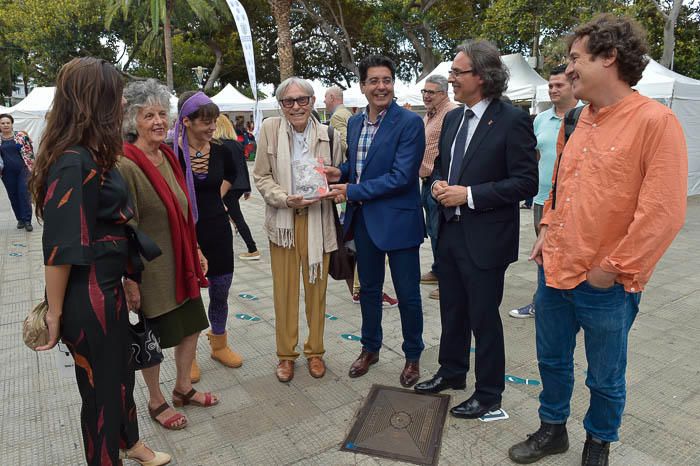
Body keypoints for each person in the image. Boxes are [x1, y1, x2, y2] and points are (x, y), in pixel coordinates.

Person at [509, 15, 687, 465]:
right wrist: (546, 226)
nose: (568, 71)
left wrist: (613, 269)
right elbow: (558, 186)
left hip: (606, 283)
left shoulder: (656, 122)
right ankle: (552, 431)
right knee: (551, 361)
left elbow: (663, 213)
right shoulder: (576, 120)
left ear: (609, 57)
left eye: (575, 59)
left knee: (605, 377)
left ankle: (598, 443)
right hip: (555, 270)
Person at [30, 58, 170, 466]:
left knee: (120, 376)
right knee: (101, 393)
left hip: (107, 286)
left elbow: (111, 225)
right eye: (116, 92)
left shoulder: (94, 153)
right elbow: (58, 249)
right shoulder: (74, 160)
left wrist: (129, 278)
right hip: (86, 295)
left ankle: (132, 443)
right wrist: (54, 314)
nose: (124, 98)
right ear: (96, 100)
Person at [414, 40, 538, 420]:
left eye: (456, 72)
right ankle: (451, 372)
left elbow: (525, 182)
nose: (450, 78)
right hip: (450, 235)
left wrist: (468, 195)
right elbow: (442, 170)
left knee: (483, 317)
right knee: (452, 310)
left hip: (485, 240)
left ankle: (489, 393)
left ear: (482, 76)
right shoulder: (453, 118)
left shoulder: (512, 120)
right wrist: (438, 185)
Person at [119, 79, 219, 431]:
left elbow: (182, 209)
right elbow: (124, 228)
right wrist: (130, 280)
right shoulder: (126, 164)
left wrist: (195, 248)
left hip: (182, 261)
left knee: (191, 326)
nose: (159, 121)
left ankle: (182, 388)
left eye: (163, 113)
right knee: (152, 339)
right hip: (151, 271)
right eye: (149, 115)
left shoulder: (165, 156)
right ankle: (156, 400)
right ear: (133, 120)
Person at [326, 55, 426, 388]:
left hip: (399, 223)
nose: (380, 86)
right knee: (368, 291)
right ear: (363, 86)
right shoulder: (354, 123)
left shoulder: (409, 123)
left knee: (408, 294)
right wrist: (337, 172)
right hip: (364, 222)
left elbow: (401, 176)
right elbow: (359, 167)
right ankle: (370, 349)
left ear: (393, 84)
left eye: (386, 80)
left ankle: (412, 356)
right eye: (374, 81)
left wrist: (351, 189)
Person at [253, 77, 344, 383]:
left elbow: (340, 174)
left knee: (316, 289)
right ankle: (286, 355)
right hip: (284, 223)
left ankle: (315, 351)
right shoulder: (270, 130)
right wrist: (283, 199)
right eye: (288, 102)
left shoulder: (328, 133)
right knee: (285, 291)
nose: (295, 107)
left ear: (313, 101)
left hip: (319, 219)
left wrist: (337, 180)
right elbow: (262, 176)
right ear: (280, 106)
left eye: (301, 100)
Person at [174, 91, 244, 370]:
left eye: (214, 122)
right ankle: (187, 356)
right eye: (206, 122)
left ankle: (219, 343)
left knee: (220, 288)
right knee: (189, 295)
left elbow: (231, 174)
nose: (212, 127)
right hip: (185, 229)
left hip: (216, 226)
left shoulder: (222, 150)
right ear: (187, 121)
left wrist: (215, 195)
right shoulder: (172, 153)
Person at [509, 64, 581, 319]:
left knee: (573, 255)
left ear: (574, 86)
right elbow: (534, 157)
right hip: (542, 199)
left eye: (559, 85)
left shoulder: (586, 118)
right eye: (550, 85)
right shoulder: (540, 119)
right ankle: (543, 303)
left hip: (575, 203)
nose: (553, 89)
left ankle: (573, 307)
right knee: (544, 255)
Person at [419, 75, 458, 301]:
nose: (426, 95)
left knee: (441, 231)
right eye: (424, 91)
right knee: (433, 230)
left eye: (431, 92)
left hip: (440, 178)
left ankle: (448, 280)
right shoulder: (430, 114)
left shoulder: (452, 112)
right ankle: (437, 269)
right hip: (426, 179)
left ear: (444, 93)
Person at [215, 115, 261, 260]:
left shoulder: (218, 144)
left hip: (227, 186)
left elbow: (221, 170)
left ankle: (252, 249)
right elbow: (243, 166)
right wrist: (247, 187)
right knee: (232, 214)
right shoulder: (236, 144)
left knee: (236, 217)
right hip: (239, 185)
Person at [0, 113, 34, 231]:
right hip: (6, 173)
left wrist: (32, 167)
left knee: (24, 194)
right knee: (13, 195)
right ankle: (20, 218)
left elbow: (30, 152)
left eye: (8, 123)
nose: (5, 125)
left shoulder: (21, 136)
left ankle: (27, 220)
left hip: (23, 170)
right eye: (3, 123)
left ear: (12, 124)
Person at [324, 86, 352, 150]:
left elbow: (345, 145)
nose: (324, 101)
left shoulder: (337, 116)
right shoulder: (347, 112)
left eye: (325, 97)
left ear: (331, 98)